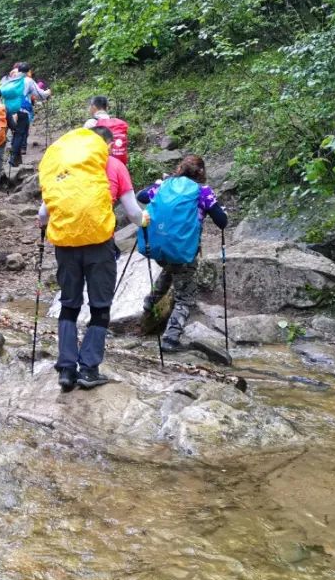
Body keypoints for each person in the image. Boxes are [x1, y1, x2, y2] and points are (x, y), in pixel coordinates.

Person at [38, 124, 150, 392]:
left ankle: (66, 369)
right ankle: (88, 369)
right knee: (100, 306)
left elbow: (43, 214)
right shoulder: (114, 166)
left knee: (69, 304)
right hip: (99, 245)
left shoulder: (65, 167)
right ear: (106, 145)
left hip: (65, 245)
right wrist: (145, 220)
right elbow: (134, 213)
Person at [136, 154, 228, 352]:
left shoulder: (165, 185)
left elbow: (141, 196)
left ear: (180, 168)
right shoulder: (203, 192)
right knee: (185, 296)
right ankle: (171, 338)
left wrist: (158, 182)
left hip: (158, 247)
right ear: (201, 172)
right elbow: (222, 222)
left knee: (170, 269)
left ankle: (149, 303)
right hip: (183, 250)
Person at [0, 61, 51, 166]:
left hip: (7, 111)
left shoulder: (10, 79)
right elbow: (40, 95)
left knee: (12, 133)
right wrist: (48, 92)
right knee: (19, 134)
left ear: (18, 70)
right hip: (21, 111)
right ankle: (13, 159)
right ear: (28, 71)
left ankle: (11, 158)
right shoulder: (28, 80)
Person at [88, 95, 129, 166]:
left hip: (99, 164)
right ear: (106, 108)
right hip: (118, 163)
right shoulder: (117, 123)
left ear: (93, 107)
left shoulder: (91, 123)